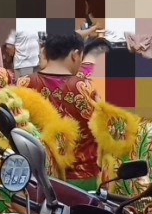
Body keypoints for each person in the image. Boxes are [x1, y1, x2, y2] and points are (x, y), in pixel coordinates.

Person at [19, 33, 101, 189]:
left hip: (37, 178)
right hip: (82, 180)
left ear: (46, 52)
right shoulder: (86, 89)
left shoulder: (24, 84)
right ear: (75, 55)